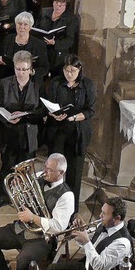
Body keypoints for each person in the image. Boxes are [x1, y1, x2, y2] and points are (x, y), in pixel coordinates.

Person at [0, 153, 74, 270]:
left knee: (23, 260)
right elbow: (22, 195)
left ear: (61, 172)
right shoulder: (41, 176)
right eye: (45, 166)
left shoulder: (66, 196)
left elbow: (58, 227)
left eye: (50, 170)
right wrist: (16, 186)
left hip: (43, 238)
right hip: (21, 228)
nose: (45, 171)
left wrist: (33, 217)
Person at [0, 51, 44, 211]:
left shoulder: (37, 85)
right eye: (18, 69)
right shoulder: (5, 83)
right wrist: (7, 118)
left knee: (26, 169)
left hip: (28, 133)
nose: (21, 73)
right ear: (14, 68)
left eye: (24, 69)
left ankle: (25, 200)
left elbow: (42, 111)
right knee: (7, 166)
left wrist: (25, 117)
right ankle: (4, 197)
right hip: (9, 132)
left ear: (30, 70)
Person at [45, 54, 96, 213]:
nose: (69, 74)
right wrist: (54, 114)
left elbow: (90, 110)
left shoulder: (88, 85)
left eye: (73, 71)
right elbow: (50, 105)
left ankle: (71, 211)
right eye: (67, 70)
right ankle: (51, 206)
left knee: (74, 174)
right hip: (58, 132)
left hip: (78, 133)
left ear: (79, 70)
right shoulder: (56, 83)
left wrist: (74, 117)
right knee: (54, 171)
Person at [50, 197, 133, 270]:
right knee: (51, 269)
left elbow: (99, 267)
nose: (100, 215)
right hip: (87, 265)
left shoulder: (122, 243)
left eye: (104, 213)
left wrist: (86, 241)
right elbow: (89, 242)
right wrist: (81, 232)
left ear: (117, 218)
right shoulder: (104, 224)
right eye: (101, 211)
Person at [35, 0, 78, 76]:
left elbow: (70, 40)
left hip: (58, 55)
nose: (58, 7)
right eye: (56, 3)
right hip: (42, 50)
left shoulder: (70, 18)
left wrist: (55, 43)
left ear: (66, 5)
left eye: (61, 5)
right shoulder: (44, 12)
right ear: (53, 2)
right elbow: (37, 28)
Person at [0, 12, 49, 86]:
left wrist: (32, 72)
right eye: (19, 23)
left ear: (30, 27)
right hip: (9, 80)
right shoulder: (8, 39)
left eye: (25, 24)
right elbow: (1, 55)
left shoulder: (39, 44)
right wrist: (0, 59)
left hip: (31, 82)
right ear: (16, 25)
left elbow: (45, 68)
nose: (22, 27)